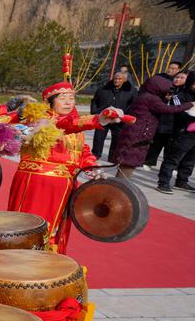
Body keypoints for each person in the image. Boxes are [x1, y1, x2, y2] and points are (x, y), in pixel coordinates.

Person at [9, 82, 126, 253]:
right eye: (62, 99)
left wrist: (92, 167)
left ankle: (47, 269)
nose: (68, 103)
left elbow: (82, 150)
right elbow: (64, 125)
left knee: (55, 229)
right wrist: (97, 119)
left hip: (64, 186)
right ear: (49, 102)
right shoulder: (38, 120)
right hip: (37, 184)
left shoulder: (74, 124)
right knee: (28, 229)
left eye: (71, 98)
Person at [113, 75, 195, 178]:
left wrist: (165, 100)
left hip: (136, 134)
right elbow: (168, 110)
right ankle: (120, 187)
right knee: (128, 163)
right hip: (138, 136)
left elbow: (159, 107)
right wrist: (189, 104)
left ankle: (120, 186)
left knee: (128, 162)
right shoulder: (150, 98)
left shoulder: (146, 96)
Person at [157, 73, 195, 194]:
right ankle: (163, 182)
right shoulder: (179, 96)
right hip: (182, 132)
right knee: (173, 159)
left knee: (190, 160)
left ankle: (182, 181)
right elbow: (179, 112)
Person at [144, 71, 189, 168]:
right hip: (161, 120)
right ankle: (149, 162)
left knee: (170, 147)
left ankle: (170, 167)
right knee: (156, 143)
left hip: (175, 123)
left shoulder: (185, 93)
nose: (178, 79)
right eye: (177, 77)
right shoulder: (166, 87)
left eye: (182, 78)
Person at [89, 71, 135, 160]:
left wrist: (124, 116)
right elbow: (94, 101)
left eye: (119, 79)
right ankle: (95, 155)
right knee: (98, 138)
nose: (117, 81)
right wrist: (94, 112)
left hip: (118, 120)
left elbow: (133, 105)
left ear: (124, 80)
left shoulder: (130, 91)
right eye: (115, 78)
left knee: (117, 139)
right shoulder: (103, 89)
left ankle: (112, 157)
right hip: (103, 118)